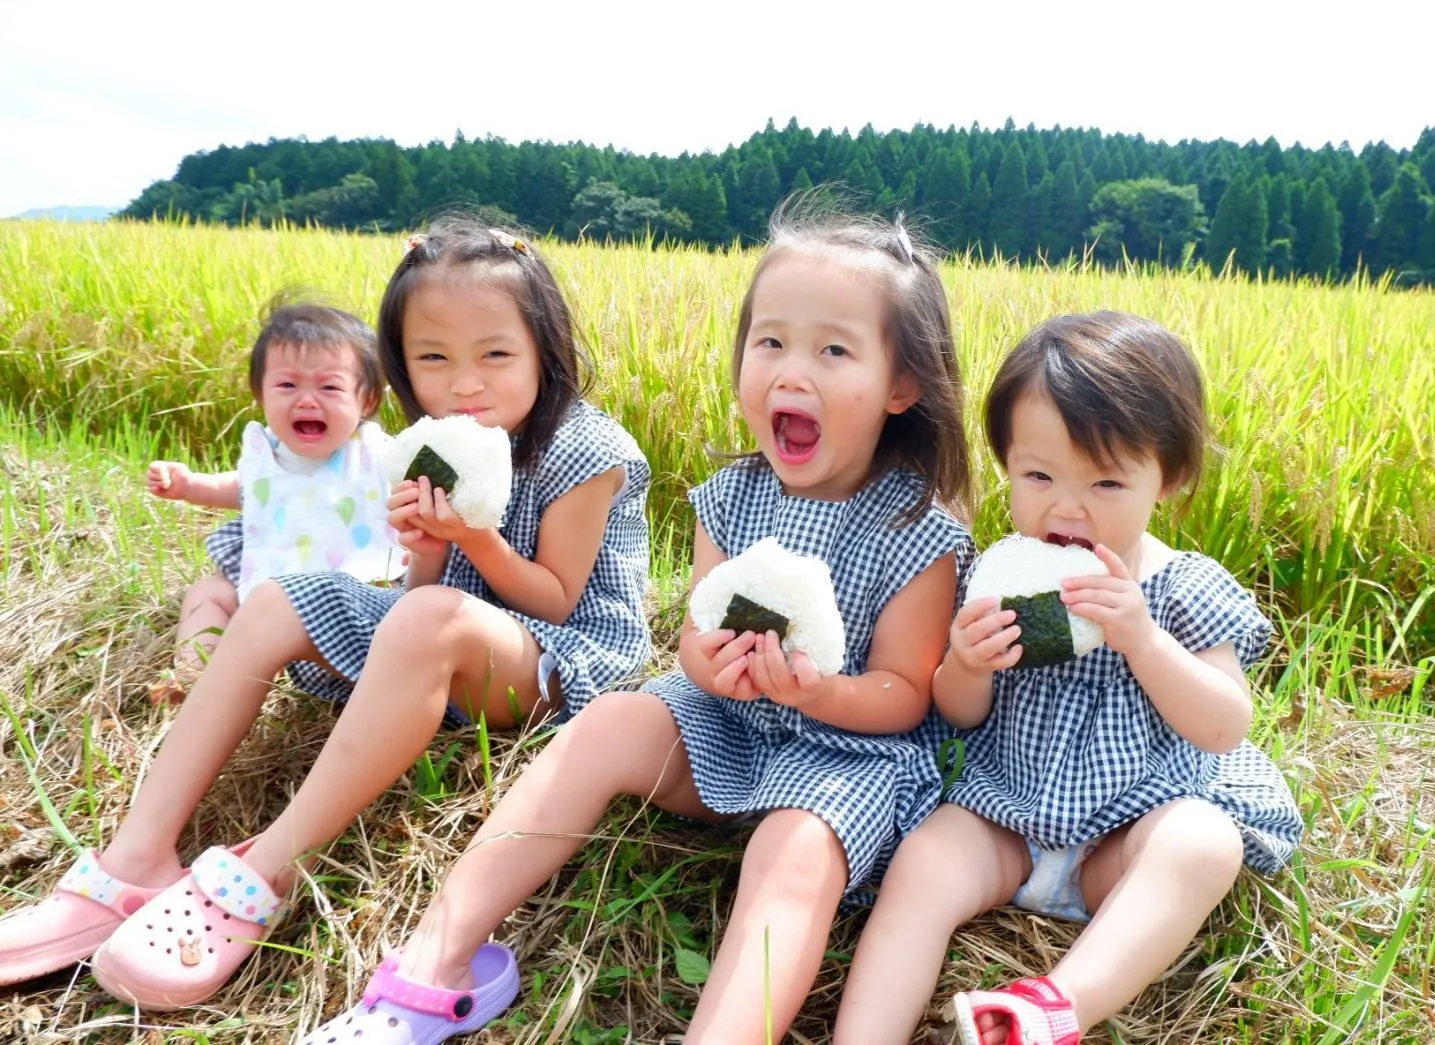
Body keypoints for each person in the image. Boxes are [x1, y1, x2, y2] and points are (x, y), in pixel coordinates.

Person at [299, 204, 976, 1045]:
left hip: (844, 755)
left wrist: (823, 692)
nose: (790, 371)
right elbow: (695, 635)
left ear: (902, 385)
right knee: (616, 716)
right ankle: (431, 967)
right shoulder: (730, 497)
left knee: (792, 848)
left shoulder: (919, 530)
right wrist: (709, 664)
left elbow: (905, 695)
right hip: (727, 721)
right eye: (769, 342)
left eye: (833, 350)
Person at [0, 215, 654, 1011]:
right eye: (434, 359)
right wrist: (427, 543)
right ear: (403, 368)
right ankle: (137, 854)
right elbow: (421, 595)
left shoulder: (587, 451)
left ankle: (266, 866)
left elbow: (552, 595)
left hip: (561, 660)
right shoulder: (431, 441)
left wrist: (472, 542)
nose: (465, 383)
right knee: (277, 598)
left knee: (434, 619)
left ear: (545, 352)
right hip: (450, 629)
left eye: (495, 354)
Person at [835, 312, 1305, 1045]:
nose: (1067, 507)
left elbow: (1223, 724)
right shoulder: (1000, 572)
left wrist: (1142, 639)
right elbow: (959, 715)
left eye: (1107, 481)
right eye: (1038, 475)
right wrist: (965, 662)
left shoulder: (1181, 588)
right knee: (925, 858)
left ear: (1168, 478)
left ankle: (1050, 1007)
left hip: (1122, 833)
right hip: (1006, 820)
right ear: (1007, 465)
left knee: (1204, 841)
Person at [144, 298, 403, 703]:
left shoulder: (376, 455)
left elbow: (410, 496)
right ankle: (194, 678)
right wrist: (189, 485)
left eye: (329, 387)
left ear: (367, 401)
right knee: (207, 594)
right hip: (271, 584)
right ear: (260, 395)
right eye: (287, 385)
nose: (306, 400)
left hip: (353, 593)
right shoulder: (266, 454)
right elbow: (250, 490)